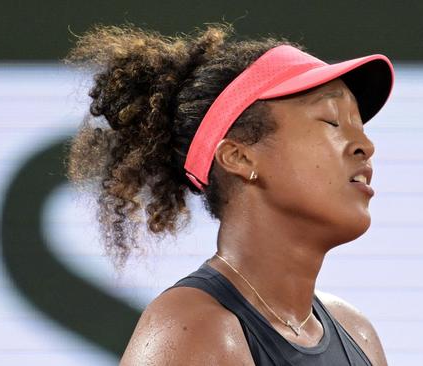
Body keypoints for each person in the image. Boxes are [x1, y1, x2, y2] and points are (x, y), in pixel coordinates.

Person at [65, 23, 393, 365]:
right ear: (239, 157)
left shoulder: (358, 333)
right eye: (331, 122)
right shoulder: (195, 329)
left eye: (361, 127)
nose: (365, 146)